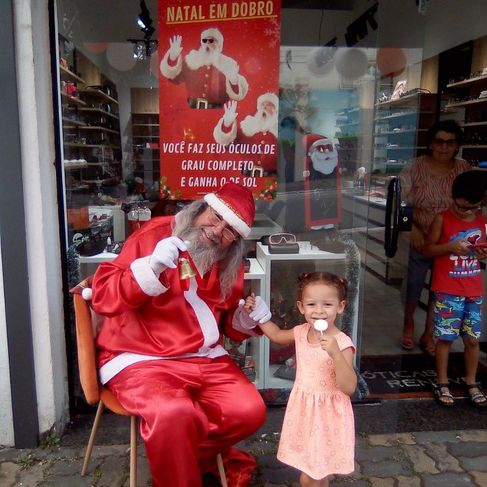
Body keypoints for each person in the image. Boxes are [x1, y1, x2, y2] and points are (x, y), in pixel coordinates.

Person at [91, 182, 270, 487]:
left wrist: (244, 318)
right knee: (173, 412)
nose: (216, 231)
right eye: (214, 218)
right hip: (140, 356)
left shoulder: (228, 262)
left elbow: (224, 322)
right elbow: (103, 296)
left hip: (203, 359)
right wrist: (150, 267)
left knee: (249, 410)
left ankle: (176, 453)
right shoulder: (154, 235)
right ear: (200, 208)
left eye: (229, 231)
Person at [244, 272, 356, 487]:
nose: (319, 311)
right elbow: (276, 335)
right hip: (305, 411)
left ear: (340, 306)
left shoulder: (342, 343)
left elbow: (348, 386)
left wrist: (336, 355)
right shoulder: (301, 331)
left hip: (327, 416)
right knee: (316, 470)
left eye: (328, 304)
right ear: (301, 306)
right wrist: (258, 314)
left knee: (309, 477)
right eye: (312, 304)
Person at [399, 119, 471, 355]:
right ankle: (408, 322)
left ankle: (428, 333)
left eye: (450, 143)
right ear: (430, 143)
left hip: (449, 240)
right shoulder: (415, 167)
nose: (444, 147)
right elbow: (401, 202)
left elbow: (471, 204)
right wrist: (412, 229)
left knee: (440, 288)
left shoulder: (463, 169)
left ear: (457, 146)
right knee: (414, 282)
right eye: (439, 141)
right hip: (420, 235)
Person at [423, 171, 487, 408]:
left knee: (472, 339)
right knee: (446, 338)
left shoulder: (482, 221)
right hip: (448, 289)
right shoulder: (443, 219)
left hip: (473, 289)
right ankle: (442, 381)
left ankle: (471, 381)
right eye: (461, 207)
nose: (466, 212)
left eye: (473, 207)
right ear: (453, 198)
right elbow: (428, 249)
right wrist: (449, 247)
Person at [160, 27, 248, 109]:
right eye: (205, 40)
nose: (207, 43)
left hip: (217, 113)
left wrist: (234, 82)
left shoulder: (227, 64)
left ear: (219, 46)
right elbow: (175, 79)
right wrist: (172, 58)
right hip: (193, 112)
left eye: (211, 41)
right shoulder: (191, 61)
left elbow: (236, 96)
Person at [213, 94, 279, 176]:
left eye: (269, 105)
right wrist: (227, 124)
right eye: (262, 105)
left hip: (271, 180)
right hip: (247, 178)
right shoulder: (247, 127)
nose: (264, 107)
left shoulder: (280, 132)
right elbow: (228, 143)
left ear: (275, 110)